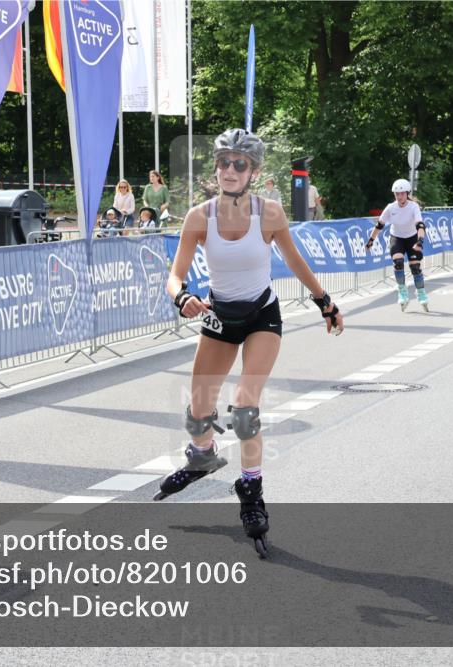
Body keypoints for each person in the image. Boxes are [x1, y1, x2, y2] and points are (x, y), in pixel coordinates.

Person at [158, 128, 344, 558]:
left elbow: (295, 261)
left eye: (239, 164)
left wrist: (325, 303)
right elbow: (174, 274)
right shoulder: (199, 217)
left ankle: (251, 491)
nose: (229, 170)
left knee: (244, 410)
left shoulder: (271, 213)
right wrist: (182, 296)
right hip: (220, 317)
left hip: (261, 315)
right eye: (223, 162)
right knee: (199, 410)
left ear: (254, 172)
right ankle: (202, 455)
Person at [365, 179, 429, 312]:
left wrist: (420, 241)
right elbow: (379, 225)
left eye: (402, 194)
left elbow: (420, 225)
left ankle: (421, 292)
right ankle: (402, 291)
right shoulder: (391, 207)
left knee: (415, 267)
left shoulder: (413, 206)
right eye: (396, 194)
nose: (399, 197)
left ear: (407, 193)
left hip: (412, 238)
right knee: (398, 262)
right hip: (397, 238)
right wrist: (371, 240)